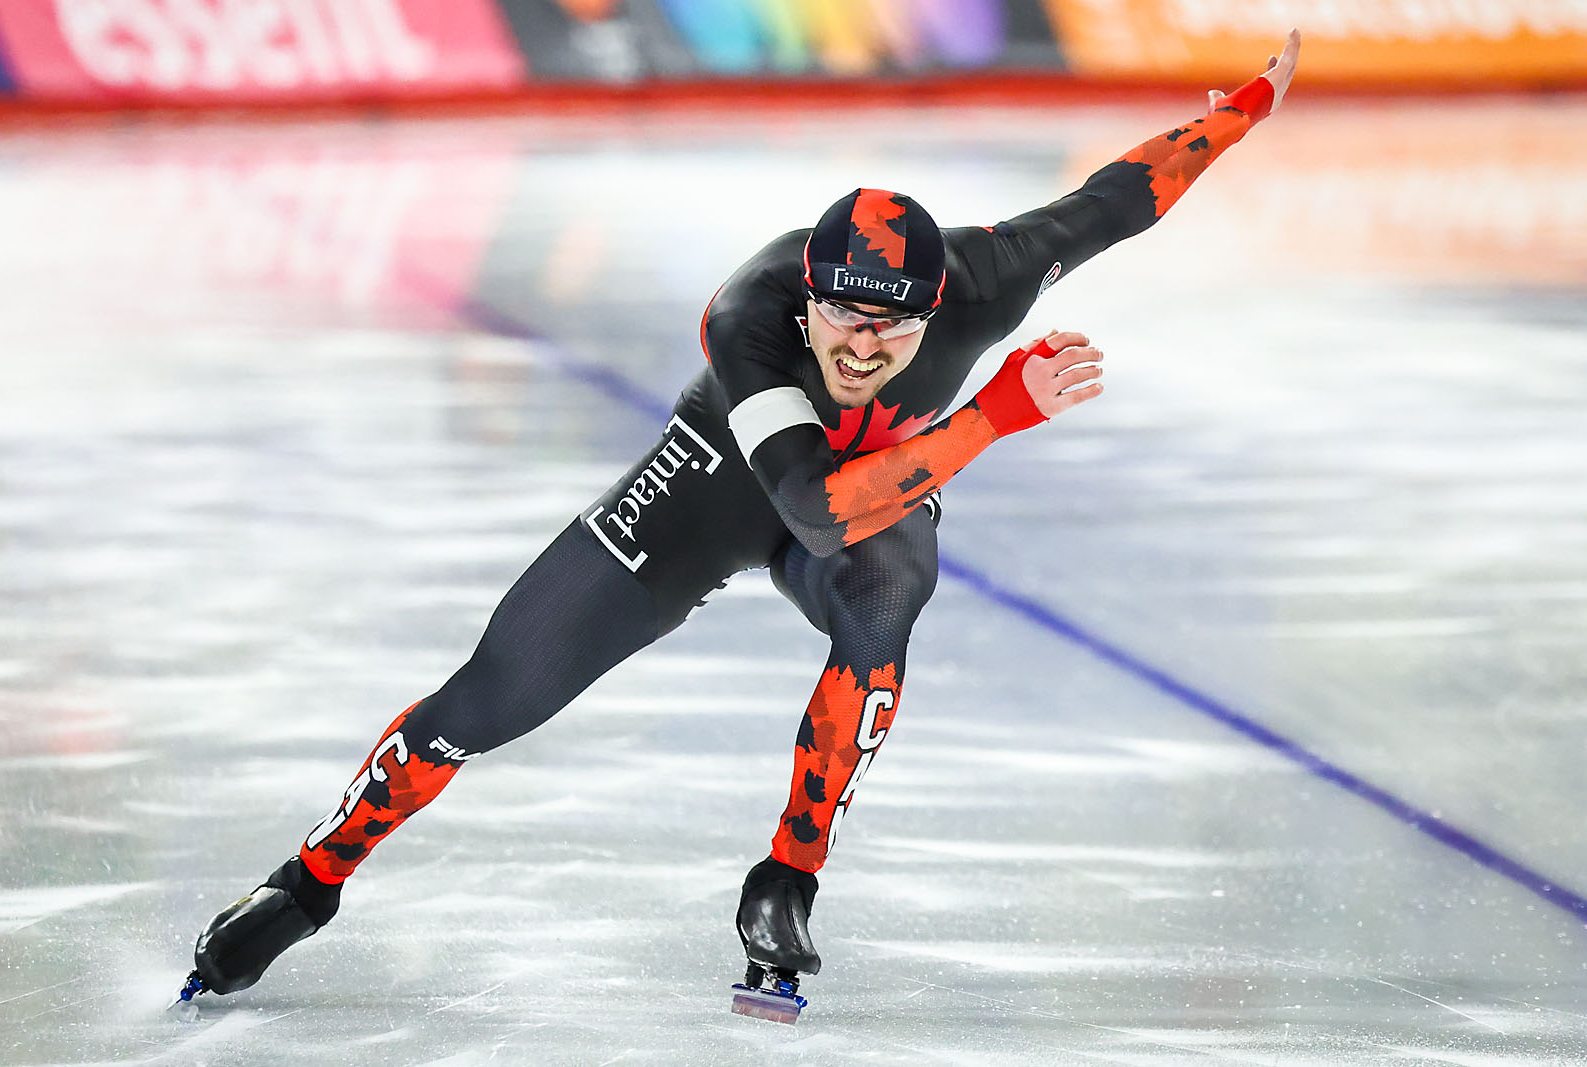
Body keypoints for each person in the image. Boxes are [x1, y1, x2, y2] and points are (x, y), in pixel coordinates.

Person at [181, 32, 1302, 1009]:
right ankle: (308, 879)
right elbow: (809, 509)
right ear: (806, 296)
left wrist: (1238, 115)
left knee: (885, 598)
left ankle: (787, 877)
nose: (864, 351)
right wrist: (997, 413)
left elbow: (1119, 197)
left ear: (937, 310)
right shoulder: (748, 319)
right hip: (721, 485)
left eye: (894, 334)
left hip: (879, 489)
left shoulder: (986, 279)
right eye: (845, 324)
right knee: (489, 696)